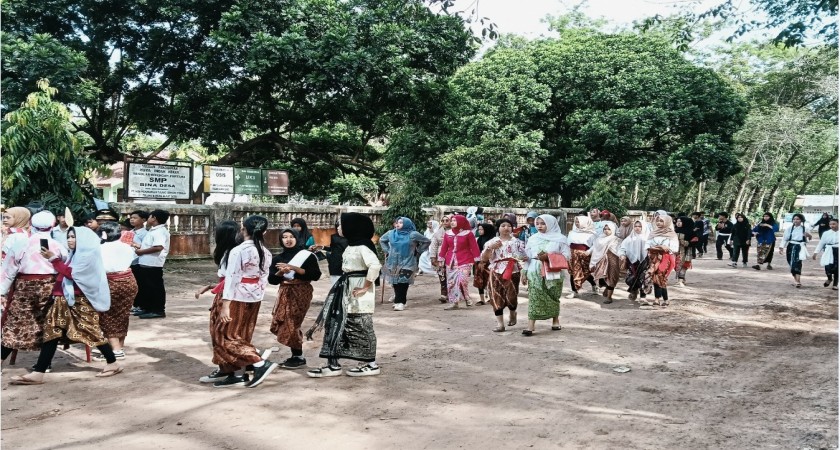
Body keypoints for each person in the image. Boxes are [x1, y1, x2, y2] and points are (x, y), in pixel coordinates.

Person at [9, 226, 122, 384]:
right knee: (52, 333)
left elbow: (72, 274)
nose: (69, 240)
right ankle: (38, 373)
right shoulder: (74, 255)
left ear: (84, 240)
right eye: (68, 237)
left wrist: (54, 260)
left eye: (73, 237)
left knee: (91, 332)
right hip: (62, 300)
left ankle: (113, 362)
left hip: (78, 301)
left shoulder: (88, 256)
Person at [306, 212, 382, 378]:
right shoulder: (351, 245)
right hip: (346, 288)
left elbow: (375, 266)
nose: (339, 227)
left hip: (358, 293)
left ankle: (370, 364)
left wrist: (365, 287)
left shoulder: (363, 247)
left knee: (360, 325)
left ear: (352, 227)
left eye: (341, 224)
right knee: (335, 323)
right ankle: (332, 364)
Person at [212, 215, 277, 388]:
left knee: (226, 335)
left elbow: (232, 278)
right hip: (254, 297)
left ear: (244, 229)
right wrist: (256, 294)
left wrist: (225, 305)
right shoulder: (265, 251)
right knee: (243, 334)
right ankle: (238, 373)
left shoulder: (239, 250)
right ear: (264, 232)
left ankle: (259, 363)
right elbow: (263, 278)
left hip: (237, 296)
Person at [0, 210, 69, 366]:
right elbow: (64, 264)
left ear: (31, 224)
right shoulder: (58, 245)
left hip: (25, 287)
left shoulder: (21, 244)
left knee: (16, 322)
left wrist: (2, 292)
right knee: (50, 323)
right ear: (53, 225)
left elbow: (8, 271)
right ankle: (45, 364)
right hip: (51, 287)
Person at [194, 220, 242, 384]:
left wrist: (216, 292)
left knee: (224, 334)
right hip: (223, 294)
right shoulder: (227, 253)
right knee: (218, 334)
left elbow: (231, 280)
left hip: (228, 298)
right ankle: (225, 368)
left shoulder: (233, 253)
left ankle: (234, 372)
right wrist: (211, 287)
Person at [269, 228, 322, 368]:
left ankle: (298, 356)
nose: (288, 240)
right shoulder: (277, 259)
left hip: (301, 292)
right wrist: (281, 272)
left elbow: (315, 275)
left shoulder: (307, 256)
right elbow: (272, 280)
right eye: (284, 237)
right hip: (285, 292)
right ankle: (296, 355)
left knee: (293, 321)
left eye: (291, 237)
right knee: (284, 321)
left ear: (297, 238)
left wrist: (294, 268)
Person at [95, 221, 138, 361]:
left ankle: (116, 349)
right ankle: (119, 346)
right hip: (129, 281)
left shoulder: (100, 248)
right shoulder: (127, 247)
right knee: (123, 315)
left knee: (108, 316)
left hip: (111, 282)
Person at [522, 215, 571, 336]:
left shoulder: (561, 239)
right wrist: (524, 272)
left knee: (553, 296)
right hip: (535, 271)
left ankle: (555, 320)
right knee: (534, 297)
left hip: (553, 272)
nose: (539, 226)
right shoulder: (533, 238)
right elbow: (528, 256)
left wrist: (548, 257)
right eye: (537, 223)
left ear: (550, 224)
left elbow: (567, 256)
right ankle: (530, 325)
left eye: (543, 223)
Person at [481, 218, 527, 332]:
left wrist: (522, 267)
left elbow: (524, 257)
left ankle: (512, 312)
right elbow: (484, 258)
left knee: (512, 296)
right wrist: (490, 248)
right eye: (503, 226)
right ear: (498, 228)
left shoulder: (517, 242)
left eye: (508, 226)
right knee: (496, 295)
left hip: (513, 271)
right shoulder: (492, 242)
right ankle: (500, 324)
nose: (506, 228)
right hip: (496, 271)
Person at [379, 217, 430, 311]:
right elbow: (382, 240)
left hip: (408, 261)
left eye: (401, 222)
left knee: (403, 281)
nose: (398, 224)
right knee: (395, 281)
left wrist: (419, 250)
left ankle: (400, 302)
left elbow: (426, 241)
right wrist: (387, 250)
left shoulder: (413, 234)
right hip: (393, 261)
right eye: (397, 222)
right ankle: (398, 300)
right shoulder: (391, 233)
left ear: (407, 224)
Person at [131, 209, 171, 319]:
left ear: (154, 218)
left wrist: (141, 252)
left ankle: (158, 310)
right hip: (146, 262)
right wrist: (138, 246)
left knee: (155, 287)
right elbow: (150, 245)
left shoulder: (160, 231)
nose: (148, 219)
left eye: (149, 217)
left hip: (153, 263)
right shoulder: (153, 230)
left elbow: (158, 247)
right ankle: (148, 308)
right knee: (147, 287)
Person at [438, 215, 481, 310]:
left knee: (462, 280)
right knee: (451, 282)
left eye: (454, 220)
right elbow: (444, 247)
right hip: (451, 261)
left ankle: (466, 297)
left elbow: (474, 247)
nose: (452, 222)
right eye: (451, 220)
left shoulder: (468, 234)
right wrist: (440, 259)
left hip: (465, 260)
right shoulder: (448, 233)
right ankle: (454, 303)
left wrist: (478, 260)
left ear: (461, 222)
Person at [644, 215, 679, 307]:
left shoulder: (672, 234)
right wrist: (660, 247)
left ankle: (662, 299)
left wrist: (658, 247)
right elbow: (647, 246)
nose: (658, 223)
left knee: (660, 275)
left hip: (666, 258)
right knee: (656, 276)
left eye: (661, 221)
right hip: (654, 258)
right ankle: (660, 299)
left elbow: (674, 248)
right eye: (657, 221)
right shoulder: (653, 233)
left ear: (667, 222)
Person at [587, 221, 621, 303]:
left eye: (609, 229)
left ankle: (609, 297)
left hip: (613, 261)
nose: (606, 231)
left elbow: (620, 250)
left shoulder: (616, 239)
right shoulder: (599, 239)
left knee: (612, 277)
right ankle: (606, 287)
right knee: (601, 276)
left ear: (613, 229)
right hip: (601, 260)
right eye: (605, 229)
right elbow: (594, 247)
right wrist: (588, 252)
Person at [566, 215, 598, 298]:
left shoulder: (592, 234)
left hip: (585, 255)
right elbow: (568, 243)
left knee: (585, 272)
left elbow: (595, 245)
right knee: (573, 272)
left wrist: (588, 252)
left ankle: (594, 285)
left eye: (579, 222)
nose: (577, 223)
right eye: (576, 222)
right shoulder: (572, 232)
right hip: (573, 255)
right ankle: (574, 291)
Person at [618, 220, 650, 302]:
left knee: (643, 278)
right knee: (631, 278)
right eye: (635, 226)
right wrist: (622, 254)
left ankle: (643, 297)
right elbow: (622, 248)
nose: (637, 228)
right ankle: (634, 291)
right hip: (632, 262)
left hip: (645, 261)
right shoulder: (629, 238)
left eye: (639, 226)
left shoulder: (648, 238)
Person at [779, 213, 812, 288]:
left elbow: (809, 239)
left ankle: (798, 281)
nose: (795, 221)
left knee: (797, 263)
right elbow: (785, 238)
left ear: (801, 220)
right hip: (791, 246)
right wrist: (781, 247)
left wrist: (808, 236)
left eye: (797, 219)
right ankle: (796, 280)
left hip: (800, 246)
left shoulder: (805, 229)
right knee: (791, 263)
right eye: (794, 219)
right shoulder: (789, 229)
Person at [429, 214, 451, 303]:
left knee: (452, 276)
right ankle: (444, 294)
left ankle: (453, 293)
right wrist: (433, 257)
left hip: (453, 258)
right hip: (441, 258)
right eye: (443, 221)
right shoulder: (438, 233)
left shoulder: (457, 232)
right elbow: (434, 246)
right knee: (442, 275)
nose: (444, 222)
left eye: (447, 220)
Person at [473, 223, 496, 305]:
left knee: (490, 280)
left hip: (490, 263)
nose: (479, 231)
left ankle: (491, 298)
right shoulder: (479, 239)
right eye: (479, 229)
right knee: (479, 279)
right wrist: (479, 261)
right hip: (479, 262)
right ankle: (482, 299)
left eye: (481, 229)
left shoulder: (493, 241)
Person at [813, 218, 839, 290]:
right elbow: (821, 243)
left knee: (837, 268)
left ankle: (835, 284)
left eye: (834, 224)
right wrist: (816, 252)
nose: (832, 226)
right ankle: (829, 278)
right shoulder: (826, 233)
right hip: (828, 250)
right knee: (827, 266)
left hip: (838, 250)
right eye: (830, 224)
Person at [325, 219, 349, 287]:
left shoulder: (352, 238)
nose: (338, 227)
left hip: (346, 264)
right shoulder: (334, 237)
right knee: (335, 286)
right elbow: (332, 249)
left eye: (340, 226)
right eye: (337, 225)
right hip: (335, 264)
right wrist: (322, 247)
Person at [674, 216, 695, 287]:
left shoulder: (691, 232)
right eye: (677, 221)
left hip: (686, 251)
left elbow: (695, 240)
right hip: (676, 251)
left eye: (680, 221)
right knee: (676, 265)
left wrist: (687, 243)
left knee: (684, 265)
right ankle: (682, 279)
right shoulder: (674, 231)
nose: (678, 223)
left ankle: (680, 281)